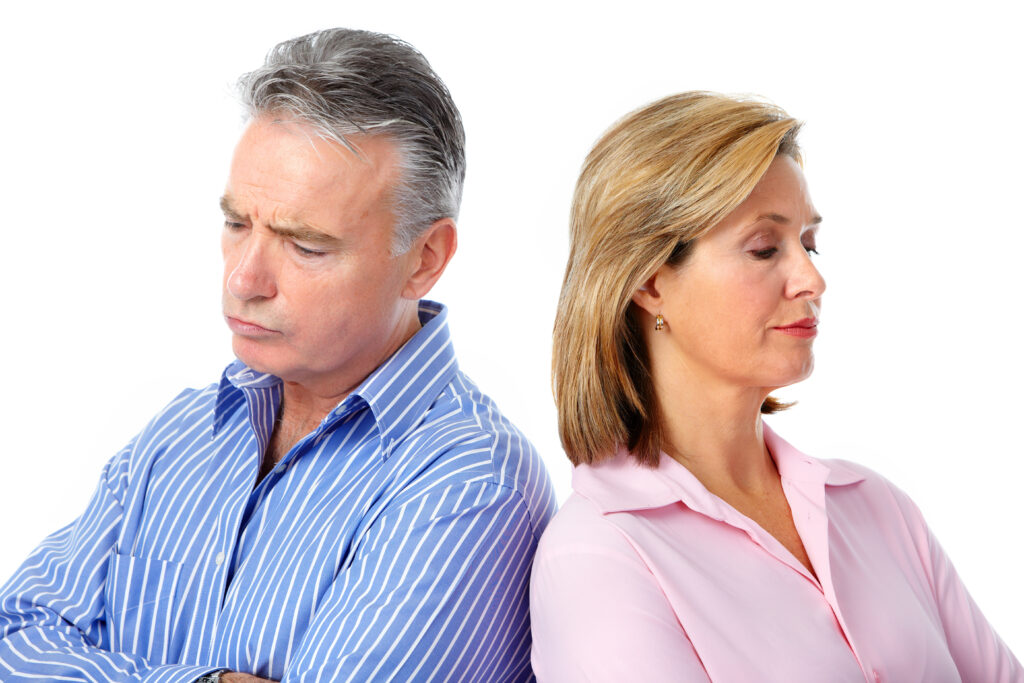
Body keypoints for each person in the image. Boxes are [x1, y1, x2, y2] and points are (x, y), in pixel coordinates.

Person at [0, 28, 555, 683]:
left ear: (425, 259)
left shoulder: (471, 485)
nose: (244, 278)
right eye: (237, 224)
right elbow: (16, 632)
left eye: (306, 245)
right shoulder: (182, 434)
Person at [529, 92, 1022, 682]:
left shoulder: (875, 506)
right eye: (765, 248)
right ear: (650, 282)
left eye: (809, 243)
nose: (812, 277)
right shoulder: (599, 557)